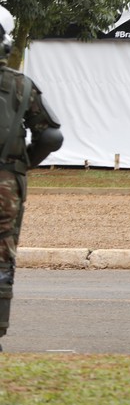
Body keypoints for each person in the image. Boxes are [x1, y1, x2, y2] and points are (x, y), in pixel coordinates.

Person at [0, 23, 63, 352]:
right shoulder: (22, 85)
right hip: (7, 182)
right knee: (2, 258)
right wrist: (23, 162)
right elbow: (52, 136)